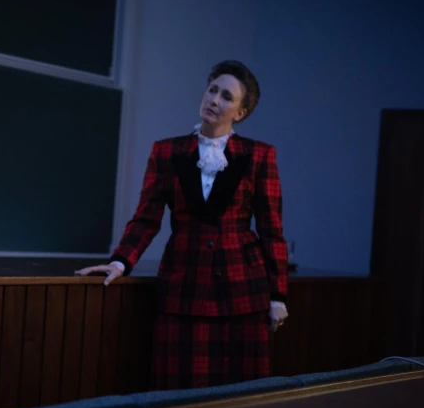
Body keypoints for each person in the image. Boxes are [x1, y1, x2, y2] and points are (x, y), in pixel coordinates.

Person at [76, 60, 288, 390]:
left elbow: (272, 230)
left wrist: (277, 295)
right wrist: (120, 262)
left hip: (243, 291)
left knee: (241, 397)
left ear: (240, 112)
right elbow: (146, 218)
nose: (214, 99)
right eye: (212, 90)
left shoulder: (259, 156)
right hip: (184, 287)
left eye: (226, 96)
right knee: (177, 394)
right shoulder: (167, 151)